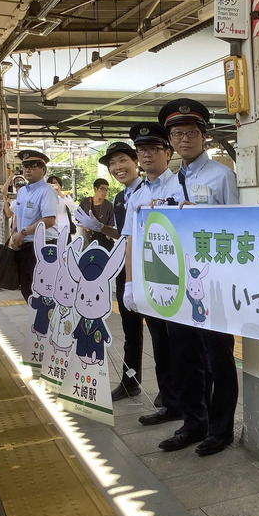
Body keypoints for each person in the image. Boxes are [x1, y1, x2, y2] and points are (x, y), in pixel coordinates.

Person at [153, 97, 240, 456]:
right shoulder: (170, 182)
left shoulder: (222, 176)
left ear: (203, 136)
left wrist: (201, 216)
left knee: (218, 357)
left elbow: (237, 227)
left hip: (213, 280)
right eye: (177, 134)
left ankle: (221, 429)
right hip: (178, 281)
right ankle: (193, 423)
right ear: (170, 140)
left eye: (191, 132)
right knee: (184, 355)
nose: (184, 139)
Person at [121, 123, 183, 428]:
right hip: (151, 281)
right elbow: (131, 240)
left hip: (179, 280)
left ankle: (190, 405)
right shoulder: (138, 194)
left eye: (154, 149)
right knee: (159, 344)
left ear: (167, 153)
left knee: (182, 347)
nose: (147, 155)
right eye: (142, 150)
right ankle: (170, 403)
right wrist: (130, 283)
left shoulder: (181, 186)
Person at [96, 142, 146, 401]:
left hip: (149, 269)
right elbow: (123, 235)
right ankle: (130, 381)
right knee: (130, 329)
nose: (117, 167)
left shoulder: (148, 191)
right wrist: (99, 227)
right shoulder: (118, 198)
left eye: (122, 160)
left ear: (135, 161)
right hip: (125, 268)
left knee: (161, 331)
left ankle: (169, 391)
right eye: (112, 164)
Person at [5, 150, 58, 301]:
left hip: (43, 247)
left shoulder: (47, 191)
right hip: (24, 246)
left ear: (43, 170)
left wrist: (22, 233)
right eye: (25, 166)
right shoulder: (22, 192)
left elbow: (49, 220)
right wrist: (14, 235)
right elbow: (17, 215)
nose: (28, 170)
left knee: (43, 290)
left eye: (33, 166)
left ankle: (46, 316)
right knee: (26, 288)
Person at [77, 178, 117, 250]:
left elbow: (111, 225)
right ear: (95, 189)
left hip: (103, 242)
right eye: (102, 189)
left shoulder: (109, 205)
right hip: (86, 241)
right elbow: (79, 220)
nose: (105, 192)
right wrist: (86, 227)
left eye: (107, 189)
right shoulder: (85, 202)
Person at [47, 175, 77, 244]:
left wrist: (60, 194)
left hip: (64, 228)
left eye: (55, 183)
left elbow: (73, 207)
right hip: (51, 229)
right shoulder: (47, 197)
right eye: (51, 183)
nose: (54, 185)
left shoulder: (66, 197)